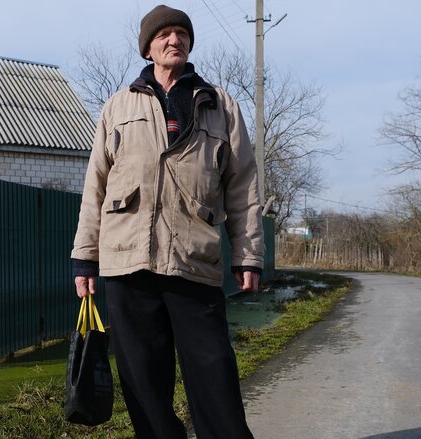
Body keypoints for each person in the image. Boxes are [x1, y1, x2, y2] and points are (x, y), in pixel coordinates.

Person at [71, 5, 264, 438]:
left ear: (189, 44)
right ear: (148, 48)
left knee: (214, 373)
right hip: (127, 264)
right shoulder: (118, 106)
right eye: (163, 36)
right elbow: (95, 189)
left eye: (181, 34)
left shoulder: (220, 106)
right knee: (143, 385)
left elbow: (243, 186)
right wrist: (85, 259)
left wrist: (248, 255)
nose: (173, 40)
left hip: (194, 261)